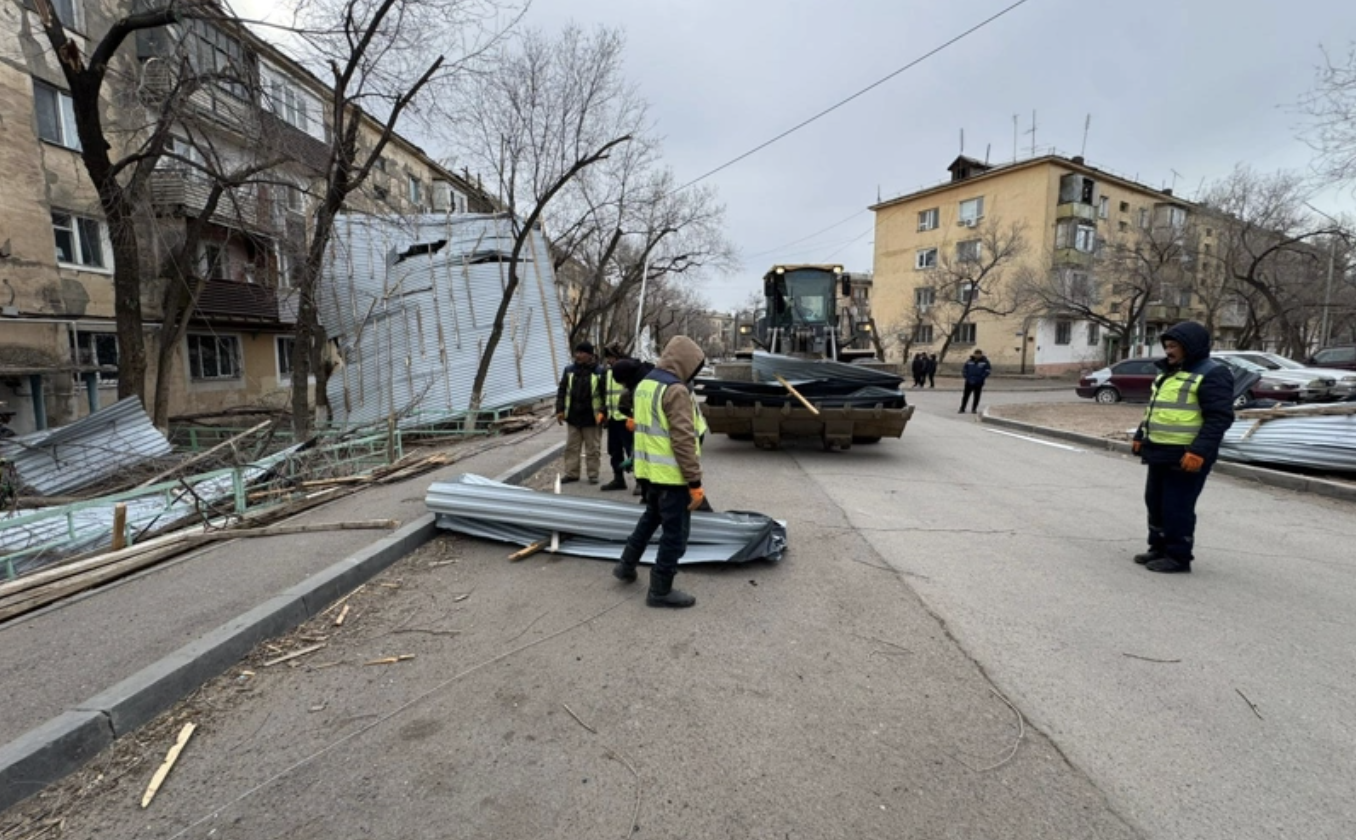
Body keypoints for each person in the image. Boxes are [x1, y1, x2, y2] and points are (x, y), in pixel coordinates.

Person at [1131, 321, 1234, 574]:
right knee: (1154, 502)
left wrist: (1198, 451)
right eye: (1166, 345)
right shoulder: (1169, 373)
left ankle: (1178, 556)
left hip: (1187, 454)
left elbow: (1219, 418)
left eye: (1174, 346)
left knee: (1176, 506)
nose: (1168, 350)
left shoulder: (1212, 373)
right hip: (1159, 450)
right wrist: (1140, 434)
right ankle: (1158, 547)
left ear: (1191, 346)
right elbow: (1156, 409)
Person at [612, 335, 707, 608]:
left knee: (650, 519)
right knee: (675, 535)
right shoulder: (675, 390)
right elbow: (682, 439)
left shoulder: (646, 384)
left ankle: (626, 564)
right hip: (672, 477)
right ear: (686, 362)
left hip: (649, 472)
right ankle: (660, 590)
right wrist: (695, 481)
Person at [555, 342, 604, 484]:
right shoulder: (569, 370)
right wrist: (560, 410)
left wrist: (603, 412)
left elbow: (604, 394)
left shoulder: (599, 372)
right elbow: (562, 390)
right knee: (571, 447)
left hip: (592, 417)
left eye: (582, 353)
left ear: (590, 355)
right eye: (577, 353)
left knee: (593, 448)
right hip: (573, 416)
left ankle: (593, 474)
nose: (578, 355)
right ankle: (572, 473)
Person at [599, 346, 633, 492]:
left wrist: (633, 416)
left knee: (632, 450)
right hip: (613, 418)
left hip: (626, 419)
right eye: (608, 357)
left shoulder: (629, 370)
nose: (609, 360)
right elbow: (605, 394)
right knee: (614, 451)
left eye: (611, 357)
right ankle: (618, 479)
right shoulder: (607, 373)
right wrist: (603, 412)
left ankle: (640, 481)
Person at [958, 349, 991, 414]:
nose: (977, 355)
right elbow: (965, 369)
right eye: (976, 354)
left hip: (978, 382)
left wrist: (981, 378)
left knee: (976, 396)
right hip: (969, 381)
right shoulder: (969, 361)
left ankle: (974, 409)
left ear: (981, 355)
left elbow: (987, 371)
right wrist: (966, 377)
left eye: (979, 354)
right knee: (965, 396)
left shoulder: (985, 362)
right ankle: (962, 408)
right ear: (974, 354)